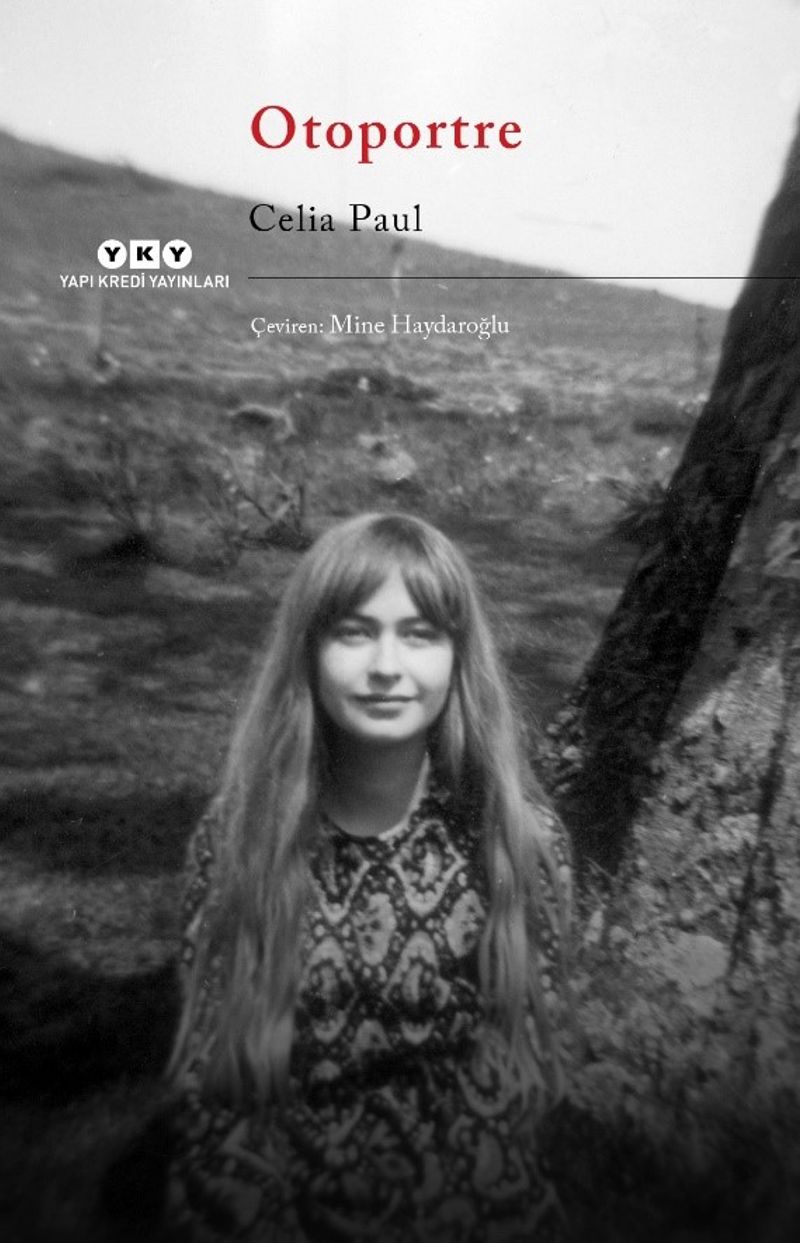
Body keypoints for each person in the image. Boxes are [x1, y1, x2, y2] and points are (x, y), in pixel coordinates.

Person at [166, 511, 573, 1243]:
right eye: (354, 632)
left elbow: (519, 1083)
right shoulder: (240, 841)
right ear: (309, 650)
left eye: (419, 634)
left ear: (458, 655)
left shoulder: (516, 843)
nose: (387, 665)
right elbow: (217, 1091)